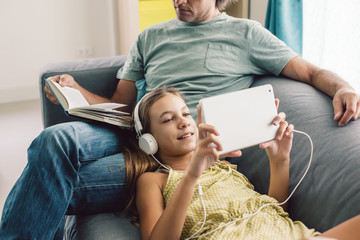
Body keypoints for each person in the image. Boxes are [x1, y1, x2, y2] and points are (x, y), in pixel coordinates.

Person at [1, 0, 360, 239]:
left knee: (48, 182)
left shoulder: (246, 34)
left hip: (182, 151)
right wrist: (76, 92)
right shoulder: (150, 36)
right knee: (55, 140)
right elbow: (121, 107)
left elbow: (311, 72)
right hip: (138, 128)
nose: (178, 0)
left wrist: (342, 87)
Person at [129, 86, 360, 240]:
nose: (183, 123)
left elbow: (273, 214)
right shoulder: (154, 180)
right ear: (149, 140)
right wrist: (192, 175)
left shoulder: (224, 165)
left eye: (186, 114)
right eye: (168, 119)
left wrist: (280, 161)